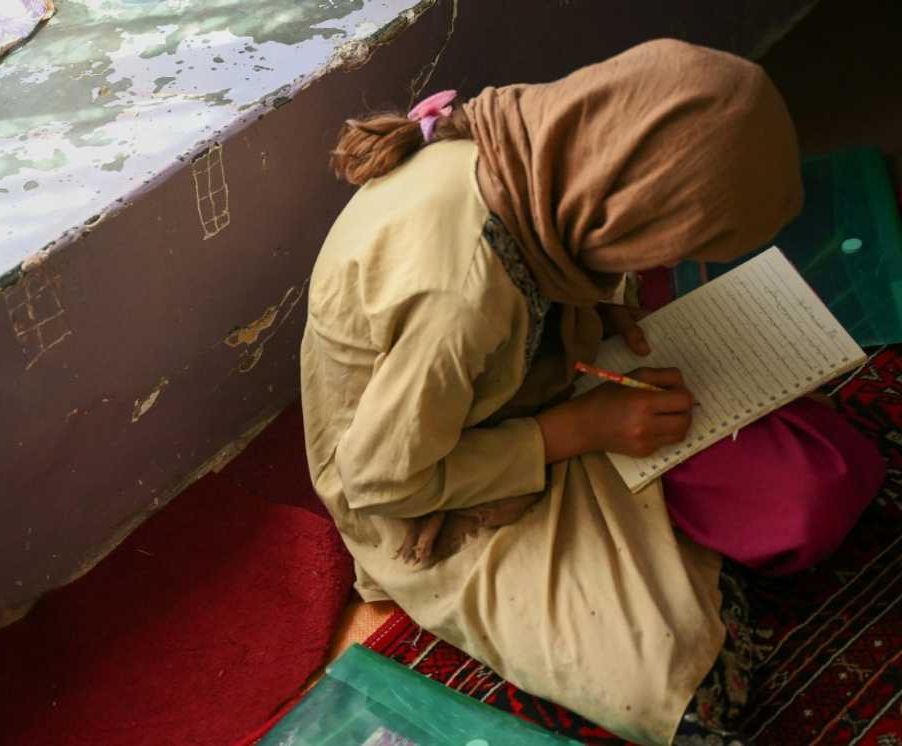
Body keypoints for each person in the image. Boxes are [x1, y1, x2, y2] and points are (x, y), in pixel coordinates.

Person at [299, 39, 885, 745]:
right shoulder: (457, 298)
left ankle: (664, 540)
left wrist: (602, 300)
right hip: (434, 481)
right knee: (687, 690)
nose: (665, 263)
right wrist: (582, 430)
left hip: (542, 386)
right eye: (665, 247)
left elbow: (548, 287)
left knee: (826, 483)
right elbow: (381, 482)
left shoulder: (547, 150)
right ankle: (667, 551)